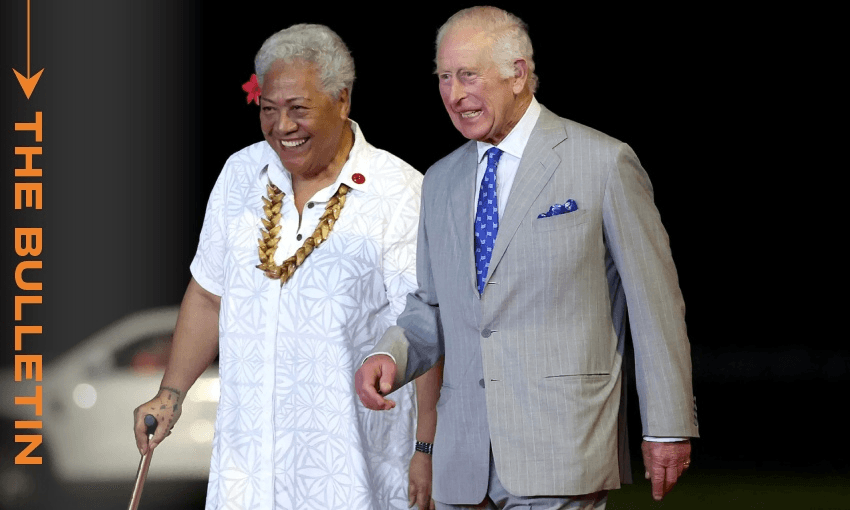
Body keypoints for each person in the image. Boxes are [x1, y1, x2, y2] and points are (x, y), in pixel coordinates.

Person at [355, 7, 699, 510]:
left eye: (468, 75)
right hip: (462, 459)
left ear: (518, 74)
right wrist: (388, 354)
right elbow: (430, 307)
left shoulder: (603, 162)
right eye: (445, 78)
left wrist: (667, 427)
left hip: (563, 448)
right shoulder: (441, 181)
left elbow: (656, 307)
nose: (454, 95)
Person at [133, 23, 441, 510]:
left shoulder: (399, 191)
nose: (282, 127)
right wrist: (169, 394)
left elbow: (426, 327)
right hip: (247, 470)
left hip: (352, 471)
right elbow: (209, 296)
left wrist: (426, 447)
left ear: (342, 100)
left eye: (299, 109)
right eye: (269, 110)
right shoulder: (240, 176)